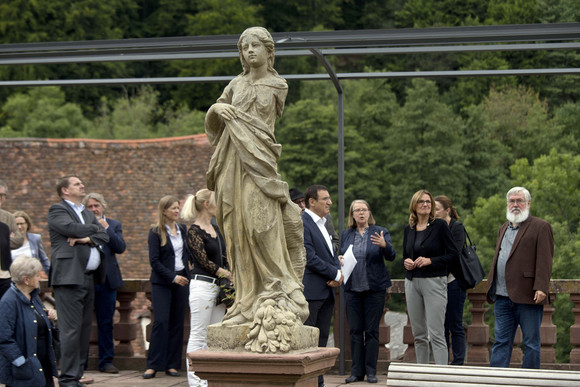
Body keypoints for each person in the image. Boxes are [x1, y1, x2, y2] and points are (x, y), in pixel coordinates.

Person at [204, 26, 308, 350]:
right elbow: (214, 120)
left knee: (261, 223)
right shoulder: (234, 84)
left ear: (268, 51)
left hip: (260, 160)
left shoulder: (279, 84)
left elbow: (264, 124)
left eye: (255, 46)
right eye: (244, 47)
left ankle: (282, 288)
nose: (249, 51)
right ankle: (246, 301)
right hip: (231, 161)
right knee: (236, 228)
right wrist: (216, 110)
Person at [48, 175, 109, 387]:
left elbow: (106, 236)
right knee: (70, 330)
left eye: (82, 182)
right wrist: (95, 229)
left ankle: (76, 376)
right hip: (69, 277)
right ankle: (67, 379)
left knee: (84, 330)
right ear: (65, 190)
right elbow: (70, 229)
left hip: (88, 277)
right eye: (76, 184)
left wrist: (86, 238)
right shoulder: (57, 210)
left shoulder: (84, 212)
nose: (82, 185)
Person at [486, 187, 554, 369]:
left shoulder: (541, 226)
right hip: (501, 296)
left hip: (527, 296)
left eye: (519, 201)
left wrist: (541, 287)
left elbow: (545, 260)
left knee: (531, 343)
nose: (515, 205)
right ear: (507, 204)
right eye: (512, 201)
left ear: (528, 203)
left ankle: (530, 380)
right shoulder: (503, 228)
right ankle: (496, 381)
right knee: (501, 341)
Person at [340, 200, 396, 384]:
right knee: (355, 331)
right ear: (353, 215)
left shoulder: (379, 231)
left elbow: (392, 256)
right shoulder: (347, 234)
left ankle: (371, 371)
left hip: (374, 289)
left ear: (369, 213)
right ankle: (357, 372)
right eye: (357, 210)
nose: (361, 213)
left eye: (364, 210)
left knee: (371, 331)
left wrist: (384, 245)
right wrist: (339, 258)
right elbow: (340, 255)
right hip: (352, 289)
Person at [181, 189, 232, 387]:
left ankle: (211, 379)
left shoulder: (217, 229)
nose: (219, 205)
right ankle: (196, 382)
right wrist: (225, 272)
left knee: (215, 335)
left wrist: (230, 272)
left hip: (219, 288)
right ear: (205, 204)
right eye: (215, 201)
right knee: (198, 334)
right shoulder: (193, 231)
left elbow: (224, 257)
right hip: (202, 285)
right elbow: (201, 260)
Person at [402, 189, 458, 365]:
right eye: (422, 202)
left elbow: (453, 255)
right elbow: (405, 254)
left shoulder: (439, 226)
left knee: (436, 333)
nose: (426, 204)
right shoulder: (409, 229)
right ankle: (422, 374)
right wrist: (407, 262)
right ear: (414, 205)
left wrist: (430, 261)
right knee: (418, 334)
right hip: (412, 282)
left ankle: (441, 376)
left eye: (428, 202)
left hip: (434, 281)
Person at [143, 195, 190, 379]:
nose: (177, 211)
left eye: (178, 208)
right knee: (161, 322)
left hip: (183, 282)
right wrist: (173, 277)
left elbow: (187, 256)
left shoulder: (183, 229)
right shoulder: (155, 231)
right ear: (164, 211)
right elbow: (154, 261)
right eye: (173, 208)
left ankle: (172, 364)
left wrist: (186, 275)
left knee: (177, 323)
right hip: (162, 282)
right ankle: (153, 365)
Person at [302, 184, 343, 387]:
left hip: (326, 291)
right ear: (312, 201)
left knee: (322, 342)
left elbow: (331, 253)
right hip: (311, 292)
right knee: (309, 343)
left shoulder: (324, 222)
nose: (330, 202)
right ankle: (309, 382)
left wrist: (337, 274)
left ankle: (319, 382)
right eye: (325, 199)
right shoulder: (303, 222)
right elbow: (309, 257)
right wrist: (335, 273)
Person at [83, 193, 126, 374]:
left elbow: (120, 247)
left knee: (106, 322)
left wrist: (106, 228)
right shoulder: (82, 225)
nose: (94, 209)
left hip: (108, 280)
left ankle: (106, 361)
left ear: (103, 206)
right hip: (86, 278)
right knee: (82, 323)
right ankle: (80, 362)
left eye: (96, 206)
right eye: (90, 207)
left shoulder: (114, 224)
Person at [0, 256, 59, 387]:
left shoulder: (34, 296)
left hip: (42, 365)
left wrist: (49, 318)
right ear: (26, 279)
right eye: (37, 275)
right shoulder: (8, 302)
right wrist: (20, 362)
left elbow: (36, 324)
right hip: (23, 371)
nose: (40, 278)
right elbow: (4, 338)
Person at [434, 195, 467, 365]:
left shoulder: (457, 227)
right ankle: (443, 363)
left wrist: (434, 263)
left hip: (453, 282)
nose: (433, 212)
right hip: (436, 283)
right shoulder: (432, 227)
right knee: (441, 327)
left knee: (455, 324)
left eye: (437, 209)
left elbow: (454, 254)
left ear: (447, 211)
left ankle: (458, 363)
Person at [290, 187, 339, 253]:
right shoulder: (291, 222)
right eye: (297, 203)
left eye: (303, 201)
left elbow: (335, 239)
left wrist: (329, 252)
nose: (302, 205)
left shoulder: (325, 217)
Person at [0, 180, 24, 299]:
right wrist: (5, 237)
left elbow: (19, 240)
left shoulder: (8, 217)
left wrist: (3, 240)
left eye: (2, 195)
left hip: (4, 274)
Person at [12, 210, 51, 276]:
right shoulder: (7, 240)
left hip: (32, 279)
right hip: (13, 281)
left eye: (22, 224)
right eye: (17, 224)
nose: (19, 227)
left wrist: (52, 277)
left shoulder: (35, 239)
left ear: (27, 224)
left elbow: (44, 260)